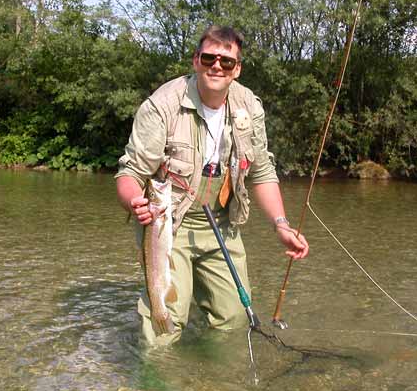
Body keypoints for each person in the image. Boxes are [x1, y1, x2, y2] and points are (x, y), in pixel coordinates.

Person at [116, 25, 309, 345]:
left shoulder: (249, 106)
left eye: (226, 61)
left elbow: (261, 171)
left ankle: (215, 370)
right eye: (209, 59)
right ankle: (154, 367)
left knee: (234, 320)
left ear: (237, 69)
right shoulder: (161, 105)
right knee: (165, 322)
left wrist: (281, 224)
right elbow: (130, 173)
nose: (217, 66)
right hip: (167, 222)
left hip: (221, 220)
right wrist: (135, 201)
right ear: (196, 61)